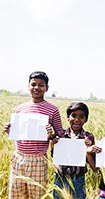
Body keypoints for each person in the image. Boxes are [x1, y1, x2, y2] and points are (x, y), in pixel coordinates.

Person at [3, 71, 63, 199]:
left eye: (41, 85)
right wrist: (10, 130)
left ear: (47, 88)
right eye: (33, 84)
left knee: (37, 195)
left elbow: (60, 133)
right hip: (18, 157)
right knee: (16, 194)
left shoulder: (52, 110)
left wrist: (51, 135)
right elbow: (19, 132)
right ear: (28, 86)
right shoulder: (20, 108)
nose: (36, 88)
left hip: (38, 159)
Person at [53, 102, 95, 199]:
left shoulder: (88, 137)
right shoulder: (60, 135)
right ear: (68, 117)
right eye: (73, 116)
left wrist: (89, 148)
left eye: (81, 116)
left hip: (78, 180)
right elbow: (53, 156)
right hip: (60, 179)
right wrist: (53, 144)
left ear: (86, 119)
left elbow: (91, 162)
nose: (77, 119)